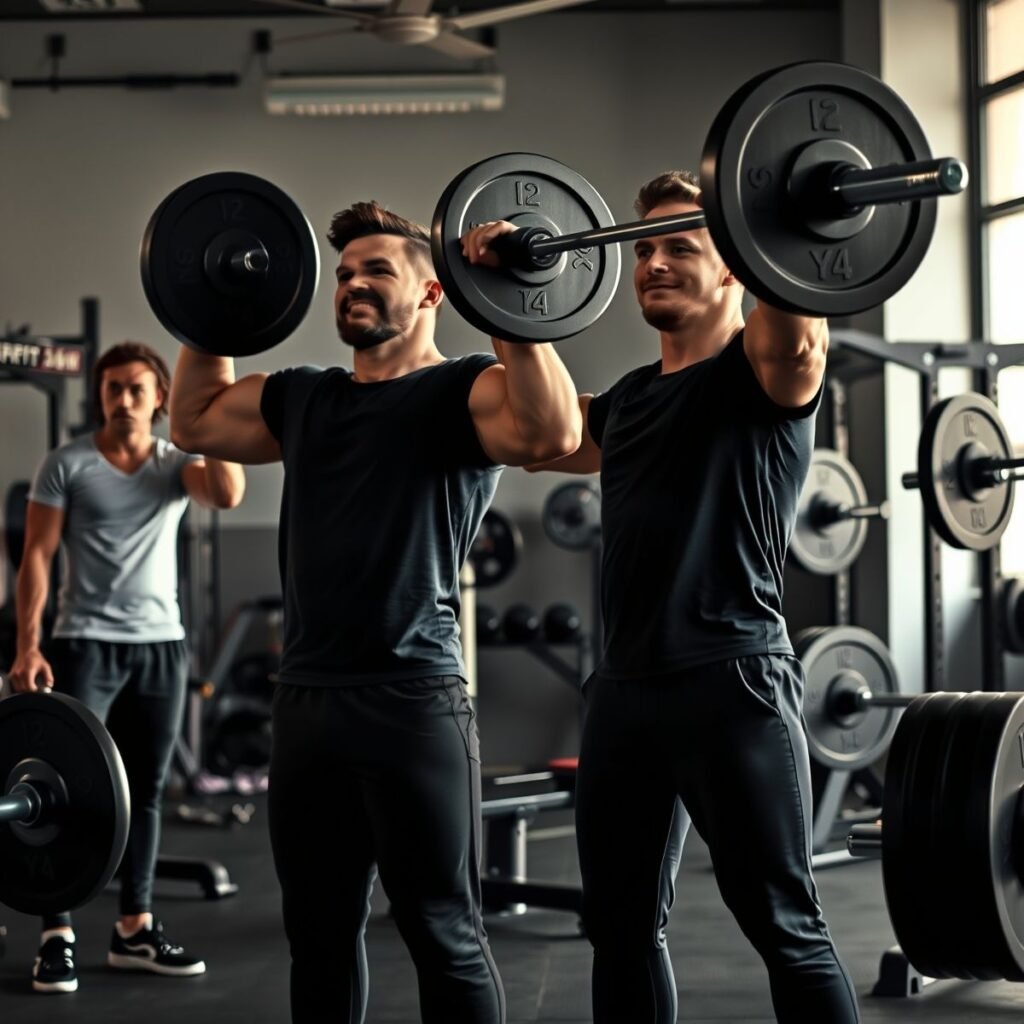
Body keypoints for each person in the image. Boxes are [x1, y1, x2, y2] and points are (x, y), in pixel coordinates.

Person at [168, 201, 581, 1024]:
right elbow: (192, 418)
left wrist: (504, 303)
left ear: (432, 293)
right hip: (309, 700)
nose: (352, 284)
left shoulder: (466, 390)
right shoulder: (303, 398)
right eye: (346, 273)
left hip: (413, 699)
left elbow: (554, 431)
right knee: (318, 934)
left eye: (376, 271)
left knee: (442, 931)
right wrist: (207, 298)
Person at [465, 171, 861, 1023]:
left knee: (785, 926)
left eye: (682, 246)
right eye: (642, 248)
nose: (653, 262)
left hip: (733, 682)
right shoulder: (630, 402)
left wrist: (768, 227)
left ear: (734, 268)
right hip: (625, 693)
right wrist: (507, 295)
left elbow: (797, 341)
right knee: (620, 928)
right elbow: (541, 436)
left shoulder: (762, 376)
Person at [8, 340, 245, 994]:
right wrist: (28, 647)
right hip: (83, 642)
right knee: (67, 789)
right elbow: (36, 558)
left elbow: (225, 494)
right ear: (100, 397)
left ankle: (134, 928)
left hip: (161, 647)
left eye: (137, 389)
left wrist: (210, 422)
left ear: (160, 397)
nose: (123, 401)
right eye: (112, 390)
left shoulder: (176, 464)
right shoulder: (68, 463)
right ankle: (57, 933)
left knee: (147, 788)